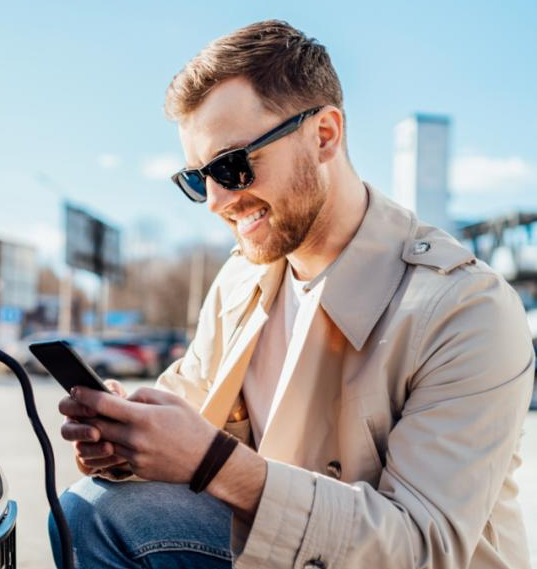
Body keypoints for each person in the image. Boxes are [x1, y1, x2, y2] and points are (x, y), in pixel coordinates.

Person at [53, 20, 533, 569]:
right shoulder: (241, 279)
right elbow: (185, 409)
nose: (215, 201)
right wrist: (126, 442)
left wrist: (215, 463)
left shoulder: (466, 309)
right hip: (282, 555)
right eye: (196, 180)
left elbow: (423, 548)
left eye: (231, 166)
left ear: (324, 135)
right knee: (93, 509)